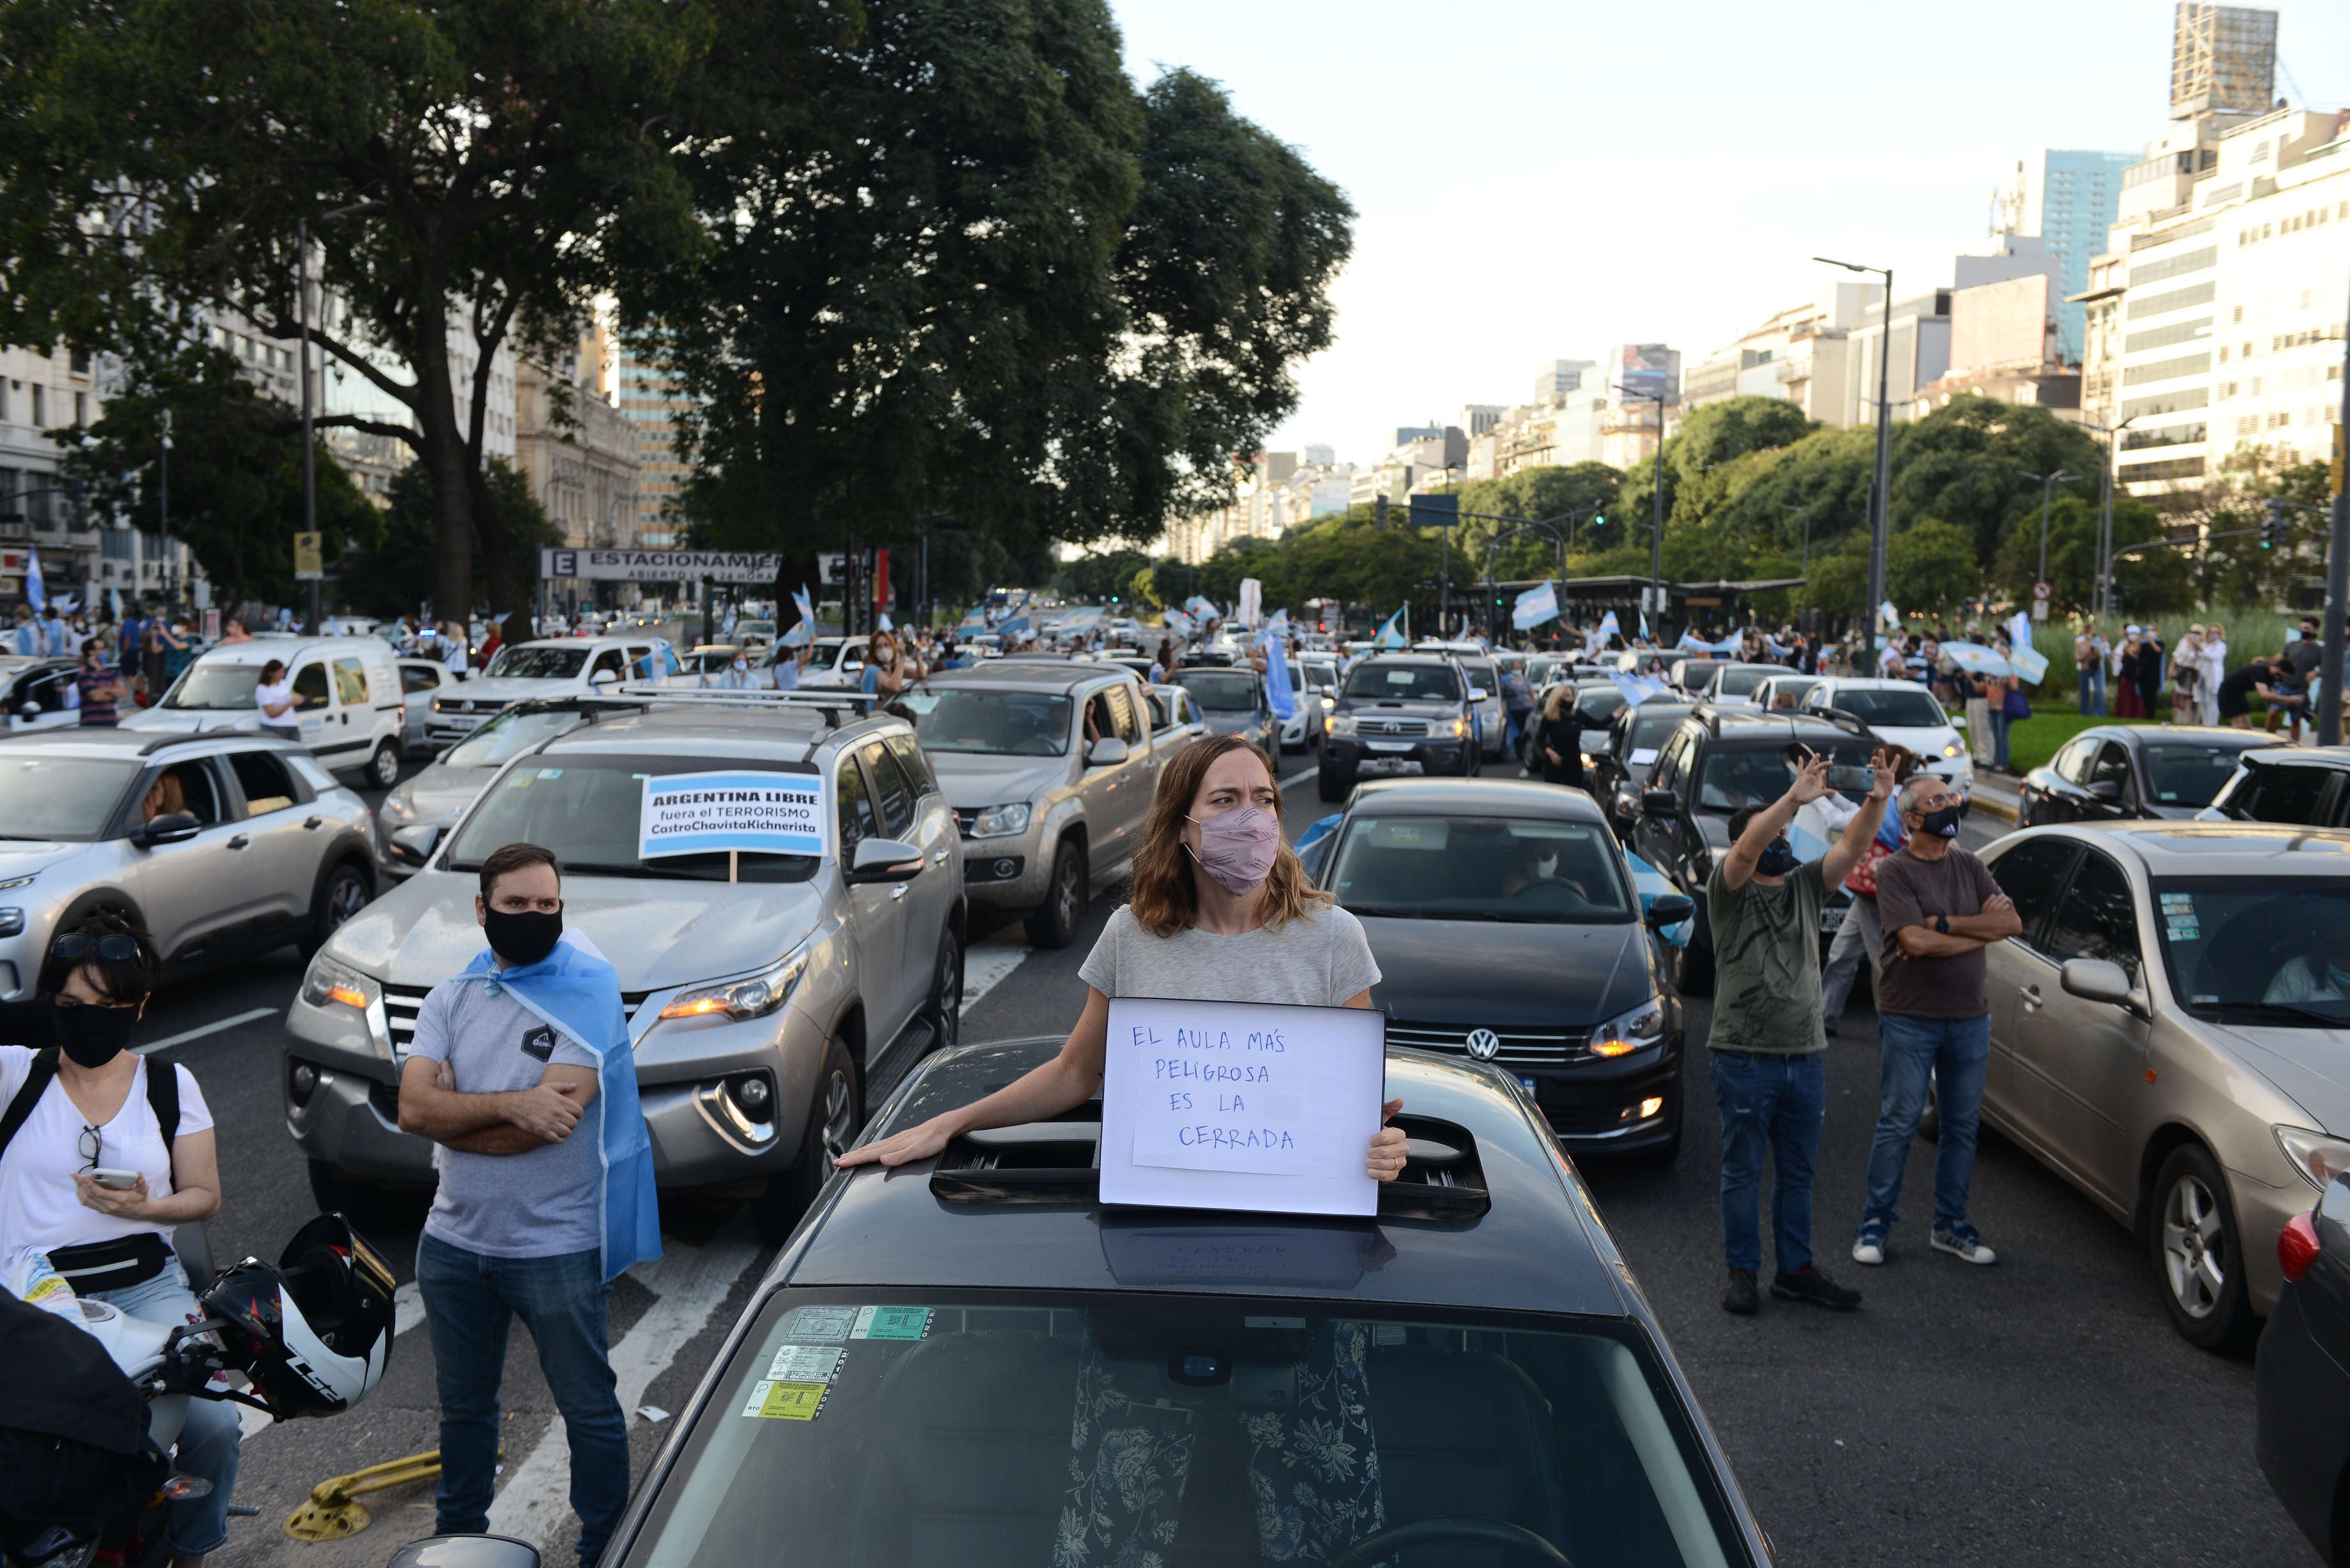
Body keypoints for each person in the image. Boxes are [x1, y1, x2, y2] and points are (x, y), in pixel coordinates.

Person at [396, 843, 660, 1567]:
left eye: (547, 905)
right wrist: (513, 1101)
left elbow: (547, 1130)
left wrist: (456, 1107)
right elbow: (413, 1108)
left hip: (556, 1246)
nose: (533, 917)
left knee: (588, 1409)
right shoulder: (451, 994)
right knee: (464, 1414)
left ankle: (604, 1547)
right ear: (482, 909)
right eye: (516, 904)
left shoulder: (589, 992)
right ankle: (456, 1545)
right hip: (452, 1242)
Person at [0, 917, 236, 1568]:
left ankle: (190, 1552)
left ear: (140, 1007)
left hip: (147, 1281)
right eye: (72, 1006)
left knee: (215, 1422)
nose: (88, 1021)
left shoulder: (170, 1084)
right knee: (53, 1426)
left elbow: (204, 1195)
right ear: (49, 1003)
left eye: (108, 1008)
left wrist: (146, 1205)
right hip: (35, 1286)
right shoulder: (14, 1074)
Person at [1705, 747, 1894, 1317]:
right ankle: (1743, 1272)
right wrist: (1791, 798)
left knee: (1798, 1175)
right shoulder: (1730, 889)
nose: (1786, 843)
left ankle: (1796, 1270)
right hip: (1743, 1056)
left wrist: (1878, 800)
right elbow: (1746, 848)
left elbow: (1854, 847)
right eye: (1778, 834)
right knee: (1742, 1171)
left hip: (1804, 1057)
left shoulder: (1805, 886)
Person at [1851, 774, 2023, 1270]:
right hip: (1911, 1018)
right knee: (1898, 1123)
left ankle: (1950, 1226)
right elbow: (1914, 943)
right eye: (1938, 800)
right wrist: (1977, 931)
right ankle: (1875, 1224)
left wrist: (1945, 924)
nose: (1952, 804)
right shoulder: (1895, 872)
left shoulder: (1970, 865)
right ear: (1911, 819)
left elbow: (2010, 924)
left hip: (1970, 1018)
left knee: (1962, 1127)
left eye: (1951, 796)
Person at [1819, 748, 1918, 1038]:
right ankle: (1826, 1017)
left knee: (1881, 960)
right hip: (1870, 891)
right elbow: (1855, 814)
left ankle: (1895, 1023)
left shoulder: (1889, 802)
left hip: (1879, 892)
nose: (1867, 768)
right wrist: (1831, 796)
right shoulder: (1900, 800)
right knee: (1842, 953)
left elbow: (1841, 822)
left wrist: (1816, 801)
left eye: (1872, 764)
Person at [1528, 684, 1585, 789]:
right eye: (1567, 696)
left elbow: (1599, 724)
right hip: (1554, 763)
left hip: (1574, 762)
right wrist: (1551, 753)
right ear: (1559, 699)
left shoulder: (1577, 715)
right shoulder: (1549, 718)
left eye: (1572, 696)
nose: (1571, 699)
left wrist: (1616, 714)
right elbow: (1540, 739)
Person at [2216, 654, 2286, 731]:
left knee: (2248, 727)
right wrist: (2289, 700)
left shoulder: (2269, 675)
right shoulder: (2259, 671)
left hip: (2239, 694)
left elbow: (2271, 693)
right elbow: (2265, 695)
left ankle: (2246, 741)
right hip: (2227, 694)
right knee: (2240, 726)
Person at [74, 642, 126, 728]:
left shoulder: (109, 672)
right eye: (101, 649)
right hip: (92, 725)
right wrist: (113, 693)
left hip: (111, 722)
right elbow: (96, 696)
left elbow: (123, 692)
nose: (105, 652)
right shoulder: (85, 673)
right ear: (91, 652)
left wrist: (105, 690)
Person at [253, 659, 305, 739]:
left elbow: (290, 697)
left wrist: (298, 700)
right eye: (279, 672)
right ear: (270, 673)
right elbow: (272, 714)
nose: (282, 675)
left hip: (291, 724)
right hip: (275, 726)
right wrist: (290, 703)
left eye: (283, 672)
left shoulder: (284, 684)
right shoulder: (263, 689)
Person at [2170, 626, 2204, 725]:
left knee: (2192, 698)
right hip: (2182, 672)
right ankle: (2179, 720)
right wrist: (2172, 668)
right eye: (2193, 632)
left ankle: (2191, 721)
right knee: (2180, 697)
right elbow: (2177, 656)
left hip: (2194, 673)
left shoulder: (2203, 644)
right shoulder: (2183, 642)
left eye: (2197, 633)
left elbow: (2197, 657)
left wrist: (2196, 646)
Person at [2195, 622, 2228, 726]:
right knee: (2203, 702)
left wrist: (2201, 649)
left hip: (2213, 676)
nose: (2214, 635)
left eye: (2216, 633)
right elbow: (2198, 658)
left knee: (2212, 702)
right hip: (2202, 676)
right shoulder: (2205, 644)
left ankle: (2212, 724)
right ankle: (2205, 724)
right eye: (2212, 632)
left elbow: (2213, 657)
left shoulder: (2221, 646)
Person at [2075, 626, 2108, 717]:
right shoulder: (2080, 644)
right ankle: (2084, 713)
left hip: (2096, 670)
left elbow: (2101, 657)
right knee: (2084, 692)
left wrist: (2095, 650)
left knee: (2098, 691)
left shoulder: (2097, 643)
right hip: (2084, 670)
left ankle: (2100, 713)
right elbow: (2078, 658)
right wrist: (2086, 652)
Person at [2112, 626, 2144, 718]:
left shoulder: (2140, 645)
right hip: (2126, 672)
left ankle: (2134, 714)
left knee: (2134, 696)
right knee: (2125, 695)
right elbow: (2123, 660)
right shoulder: (2126, 646)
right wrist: (2126, 653)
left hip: (2134, 674)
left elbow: (2138, 658)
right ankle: (2124, 714)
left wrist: (2130, 653)